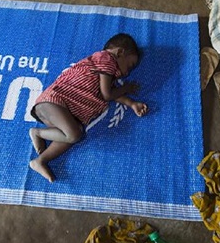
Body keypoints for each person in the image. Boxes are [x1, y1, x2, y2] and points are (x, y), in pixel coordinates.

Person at [28, 33, 149, 182]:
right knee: (74, 134)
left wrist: (131, 103)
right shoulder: (106, 59)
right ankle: (38, 133)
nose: (127, 73)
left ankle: (40, 160)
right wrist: (127, 88)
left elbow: (111, 92)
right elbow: (107, 94)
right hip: (54, 101)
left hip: (63, 111)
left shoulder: (107, 75)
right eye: (129, 66)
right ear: (120, 52)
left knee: (74, 134)